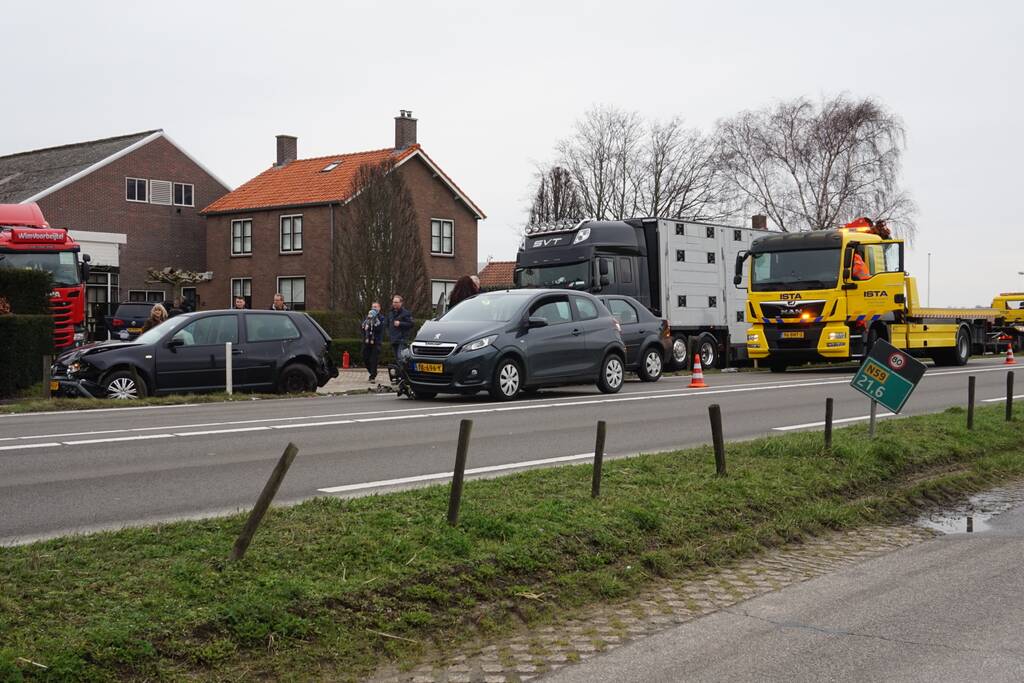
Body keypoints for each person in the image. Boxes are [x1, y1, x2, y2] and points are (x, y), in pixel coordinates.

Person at [361, 301, 384, 382]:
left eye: (376, 307)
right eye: (372, 307)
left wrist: (373, 324)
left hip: (376, 341)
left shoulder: (381, 318)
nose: (374, 308)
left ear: (379, 308)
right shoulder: (367, 317)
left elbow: (379, 328)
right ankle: (372, 371)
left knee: (373, 359)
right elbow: (363, 327)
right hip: (367, 341)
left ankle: (372, 376)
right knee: (365, 357)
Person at [386, 294, 414, 359]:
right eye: (393, 302)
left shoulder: (406, 313)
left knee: (400, 357)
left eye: (396, 302)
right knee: (396, 358)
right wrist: (389, 334)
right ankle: (399, 369)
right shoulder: (390, 313)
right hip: (393, 339)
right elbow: (387, 324)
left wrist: (400, 323)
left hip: (402, 339)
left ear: (401, 303)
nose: (394, 304)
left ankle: (403, 369)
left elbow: (411, 324)